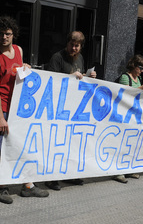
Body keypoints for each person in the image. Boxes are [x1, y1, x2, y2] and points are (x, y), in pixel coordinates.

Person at [0, 16, 49, 204]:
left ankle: (27, 185)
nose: (4, 37)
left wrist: (26, 67)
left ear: (13, 35)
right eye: (1, 33)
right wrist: (0, 117)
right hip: (2, 108)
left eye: (8, 34)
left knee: (21, 144)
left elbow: (20, 74)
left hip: (18, 108)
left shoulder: (18, 50)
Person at [45, 31, 96, 190]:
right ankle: (50, 177)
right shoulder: (57, 58)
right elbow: (50, 81)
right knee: (55, 143)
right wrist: (70, 76)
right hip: (57, 107)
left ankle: (67, 175)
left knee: (70, 143)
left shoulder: (79, 58)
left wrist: (88, 77)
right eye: (72, 45)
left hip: (72, 107)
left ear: (81, 47)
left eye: (77, 46)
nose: (74, 48)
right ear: (67, 43)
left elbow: (78, 80)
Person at [113, 54, 143, 183]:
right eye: (140, 68)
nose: (142, 71)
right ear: (134, 66)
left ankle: (128, 168)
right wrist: (140, 89)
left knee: (130, 142)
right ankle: (117, 171)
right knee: (120, 142)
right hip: (123, 115)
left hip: (133, 115)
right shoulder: (125, 77)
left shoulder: (138, 78)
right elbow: (125, 93)